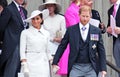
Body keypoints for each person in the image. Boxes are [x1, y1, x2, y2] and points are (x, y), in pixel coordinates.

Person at [52, 5, 107, 77]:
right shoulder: (71, 30)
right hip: (75, 66)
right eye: (83, 16)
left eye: (87, 16)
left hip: (91, 67)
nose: (85, 19)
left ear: (90, 16)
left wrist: (103, 68)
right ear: (79, 15)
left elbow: (101, 50)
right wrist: (55, 61)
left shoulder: (96, 31)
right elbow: (62, 46)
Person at [20, 9, 52, 77]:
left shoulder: (46, 33)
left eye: (37, 18)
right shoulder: (25, 33)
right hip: (30, 63)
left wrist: (53, 63)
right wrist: (24, 65)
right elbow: (22, 51)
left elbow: (48, 51)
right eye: (33, 19)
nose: (35, 21)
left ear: (41, 20)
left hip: (43, 64)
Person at [0, 0, 28, 77]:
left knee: (19, 71)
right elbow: (1, 27)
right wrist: (5, 41)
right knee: (11, 71)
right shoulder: (9, 9)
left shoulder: (24, 11)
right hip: (12, 46)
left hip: (23, 44)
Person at [39, 0, 66, 77]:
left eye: (51, 6)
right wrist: (53, 39)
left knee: (56, 73)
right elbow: (41, 33)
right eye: (48, 6)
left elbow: (64, 33)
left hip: (58, 48)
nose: (50, 8)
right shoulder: (42, 19)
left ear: (55, 7)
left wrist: (60, 39)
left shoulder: (61, 18)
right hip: (45, 49)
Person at [107, 0, 120, 77]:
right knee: (118, 66)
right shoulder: (110, 10)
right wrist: (109, 30)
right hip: (116, 42)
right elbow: (109, 24)